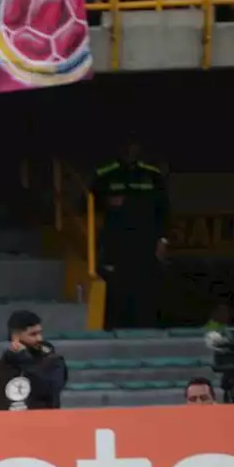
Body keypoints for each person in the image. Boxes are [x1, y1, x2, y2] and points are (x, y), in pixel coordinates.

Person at [92, 135, 169, 330]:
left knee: (146, 291)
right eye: (127, 145)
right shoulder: (105, 174)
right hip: (117, 244)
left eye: (134, 145)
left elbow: (164, 209)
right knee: (117, 291)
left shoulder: (152, 174)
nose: (131, 149)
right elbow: (85, 203)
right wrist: (107, 201)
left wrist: (163, 240)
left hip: (146, 242)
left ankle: (147, 331)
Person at [0, 309, 67, 411]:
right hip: (6, 425)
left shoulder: (53, 362)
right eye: (33, 334)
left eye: (40, 333)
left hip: (43, 424)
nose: (39, 339)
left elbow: (49, 390)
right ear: (15, 337)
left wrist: (25, 361)